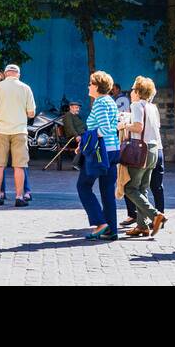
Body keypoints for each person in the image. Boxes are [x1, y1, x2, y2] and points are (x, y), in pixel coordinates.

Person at [77, 70, 121, 240]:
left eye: (90, 83)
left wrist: (86, 139)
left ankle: (100, 223)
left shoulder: (100, 103)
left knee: (83, 186)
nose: (88, 86)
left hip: (100, 152)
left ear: (97, 86)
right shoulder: (110, 101)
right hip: (112, 150)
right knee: (107, 190)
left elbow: (104, 129)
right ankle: (111, 230)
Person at [120, 77, 166, 237]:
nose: (131, 92)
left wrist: (124, 125)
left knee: (129, 188)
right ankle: (142, 226)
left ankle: (155, 215)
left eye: (133, 89)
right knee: (142, 188)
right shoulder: (152, 107)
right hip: (154, 150)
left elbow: (138, 127)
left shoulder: (136, 105)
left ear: (138, 92)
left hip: (140, 150)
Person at [0, 64, 35, 207]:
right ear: (18, 74)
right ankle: (19, 197)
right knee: (19, 166)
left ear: (5, 73)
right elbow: (31, 113)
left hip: (0, 130)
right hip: (19, 130)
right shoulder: (26, 88)